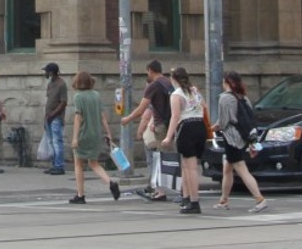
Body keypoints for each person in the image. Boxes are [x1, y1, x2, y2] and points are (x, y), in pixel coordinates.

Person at [212, 71, 268, 213]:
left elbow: (224, 122)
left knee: (242, 170)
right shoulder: (243, 97)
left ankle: (259, 199)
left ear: (227, 82)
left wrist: (213, 127)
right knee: (227, 169)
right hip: (242, 138)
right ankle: (223, 200)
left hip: (232, 139)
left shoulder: (224, 98)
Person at [121, 59, 172, 201]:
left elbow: (141, 109)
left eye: (147, 72)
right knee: (168, 157)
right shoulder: (168, 83)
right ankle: (160, 188)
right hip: (171, 124)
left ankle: (160, 191)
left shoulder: (154, 85)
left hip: (160, 125)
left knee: (159, 158)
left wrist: (127, 119)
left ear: (150, 70)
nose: (147, 75)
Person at [67, 71, 120, 204]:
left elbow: (78, 118)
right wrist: (108, 133)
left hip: (83, 134)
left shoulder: (78, 97)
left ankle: (80, 195)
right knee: (94, 163)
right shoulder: (96, 95)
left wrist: (75, 138)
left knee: (78, 163)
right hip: (96, 134)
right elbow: (102, 116)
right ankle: (110, 183)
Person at [159, 66, 205, 215]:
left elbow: (175, 116)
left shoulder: (176, 95)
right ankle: (185, 197)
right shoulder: (195, 90)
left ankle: (194, 201)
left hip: (186, 128)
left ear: (173, 79)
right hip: (200, 125)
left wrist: (168, 136)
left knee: (190, 168)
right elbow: (204, 107)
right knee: (187, 166)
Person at [41, 62, 67, 175]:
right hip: (48, 116)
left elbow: (63, 102)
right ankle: (54, 164)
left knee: (57, 141)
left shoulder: (61, 84)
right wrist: (46, 116)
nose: (45, 73)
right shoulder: (50, 84)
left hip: (56, 117)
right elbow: (49, 100)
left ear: (51, 72)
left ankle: (59, 165)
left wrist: (53, 114)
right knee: (51, 142)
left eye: (46, 71)